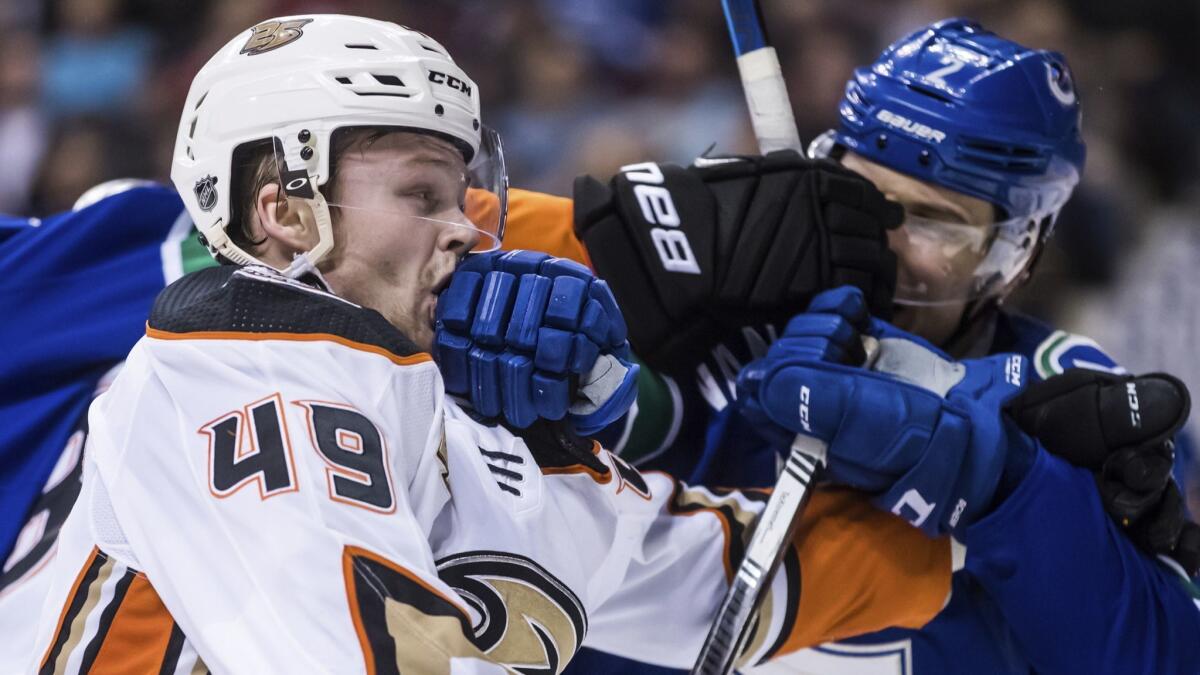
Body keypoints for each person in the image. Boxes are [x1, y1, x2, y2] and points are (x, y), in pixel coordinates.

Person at [25, 15, 960, 674]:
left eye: (465, 194)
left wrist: (981, 495)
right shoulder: (228, 364)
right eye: (423, 197)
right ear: (281, 209)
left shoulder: (465, 424)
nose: (471, 230)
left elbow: (721, 584)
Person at [542, 18, 1200, 675]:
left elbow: (1161, 658)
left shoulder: (1074, 398)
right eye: (859, 198)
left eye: (936, 220)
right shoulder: (723, 335)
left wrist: (1015, 488)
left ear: (1017, 256)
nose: (884, 244)